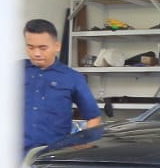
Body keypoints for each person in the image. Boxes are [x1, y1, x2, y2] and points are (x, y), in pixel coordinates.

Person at [23, 18, 102, 156]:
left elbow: (93, 117)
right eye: (30, 47)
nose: (36, 53)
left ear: (57, 46)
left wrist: (85, 142)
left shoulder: (73, 78)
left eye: (43, 48)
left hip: (52, 154)